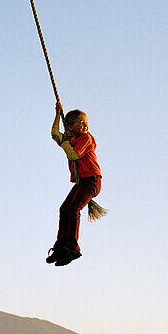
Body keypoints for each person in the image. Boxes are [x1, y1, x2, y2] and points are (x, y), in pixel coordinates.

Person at [46, 101, 103, 266]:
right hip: (82, 182)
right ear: (70, 126)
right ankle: (61, 246)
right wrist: (57, 114)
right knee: (64, 209)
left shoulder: (86, 138)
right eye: (81, 122)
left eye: (86, 122)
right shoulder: (71, 138)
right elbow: (55, 133)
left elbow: (74, 155)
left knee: (73, 209)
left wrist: (65, 143)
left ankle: (72, 248)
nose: (85, 126)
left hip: (92, 180)